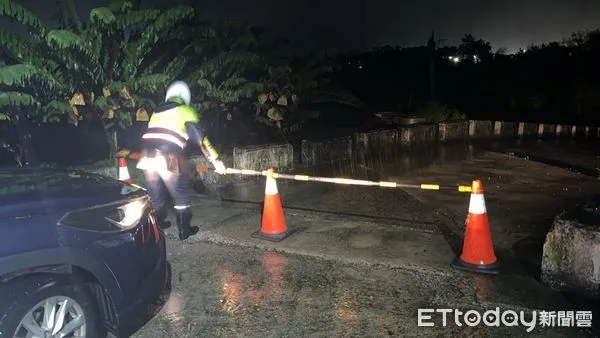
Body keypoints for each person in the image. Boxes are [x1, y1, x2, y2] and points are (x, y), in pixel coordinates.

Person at [137, 81, 226, 240]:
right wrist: (216, 160)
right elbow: (200, 138)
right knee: (180, 193)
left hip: (147, 156)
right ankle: (184, 230)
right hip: (168, 156)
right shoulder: (185, 110)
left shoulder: (156, 112)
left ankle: (157, 225)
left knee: (155, 192)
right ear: (185, 97)